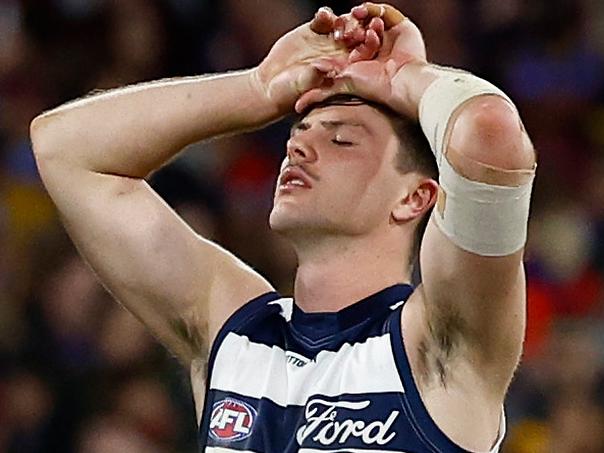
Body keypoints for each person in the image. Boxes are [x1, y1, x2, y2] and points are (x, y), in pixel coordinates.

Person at [30, 3, 536, 452]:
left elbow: (489, 134)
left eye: (341, 140)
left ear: (414, 197)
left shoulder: (439, 341)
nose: (297, 148)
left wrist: (407, 76)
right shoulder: (234, 330)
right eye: (296, 133)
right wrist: (256, 88)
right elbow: (65, 149)